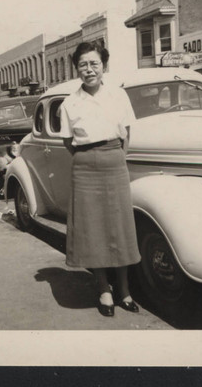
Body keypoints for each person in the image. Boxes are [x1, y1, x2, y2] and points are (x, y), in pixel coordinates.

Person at [59, 41, 141, 317]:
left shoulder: (119, 96)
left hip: (114, 163)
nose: (89, 69)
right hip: (84, 168)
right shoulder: (70, 103)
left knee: (119, 228)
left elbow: (126, 135)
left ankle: (125, 290)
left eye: (94, 63)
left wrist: (114, 158)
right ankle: (104, 289)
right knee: (93, 231)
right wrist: (90, 155)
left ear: (104, 65)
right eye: (83, 64)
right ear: (77, 69)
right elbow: (69, 142)